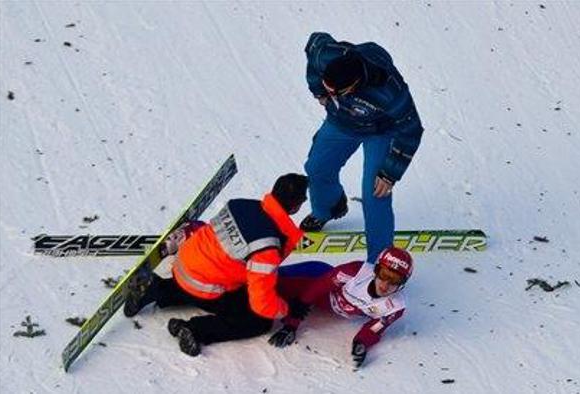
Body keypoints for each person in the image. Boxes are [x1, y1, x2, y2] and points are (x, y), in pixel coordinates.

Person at [123, 173, 311, 357]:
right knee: (258, 320)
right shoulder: (266, 247)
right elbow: (262, 304)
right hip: (206, 286)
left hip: (183, 266)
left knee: (205, 276)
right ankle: (194, 330)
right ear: (297, 205)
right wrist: (286, 308)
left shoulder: (241, 205)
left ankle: (155, 289)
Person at [300, 32, 424, 266]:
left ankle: (378, 261)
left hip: (381, 132)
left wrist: (390, 173)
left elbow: (412, 131)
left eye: (338, 92)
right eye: (329, 89)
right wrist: (318, 89)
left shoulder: (390, 92)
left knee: (375, 193)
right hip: (341, 123)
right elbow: (313, 43)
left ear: (355, 84)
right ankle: (327, 208)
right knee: (316, 168)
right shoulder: (327, 55)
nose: (332, 95)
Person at [269, 247, 414, 368]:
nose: (385, 284)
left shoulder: (395, 307)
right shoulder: (354, 272)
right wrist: (291, 324)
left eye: (394, 280)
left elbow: (374, 328)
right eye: (383, 274)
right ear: (376, 270)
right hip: (316, 275)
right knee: (269, 280)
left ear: (403, 283)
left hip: (326, 302)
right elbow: (316, 289)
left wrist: (361, 343)